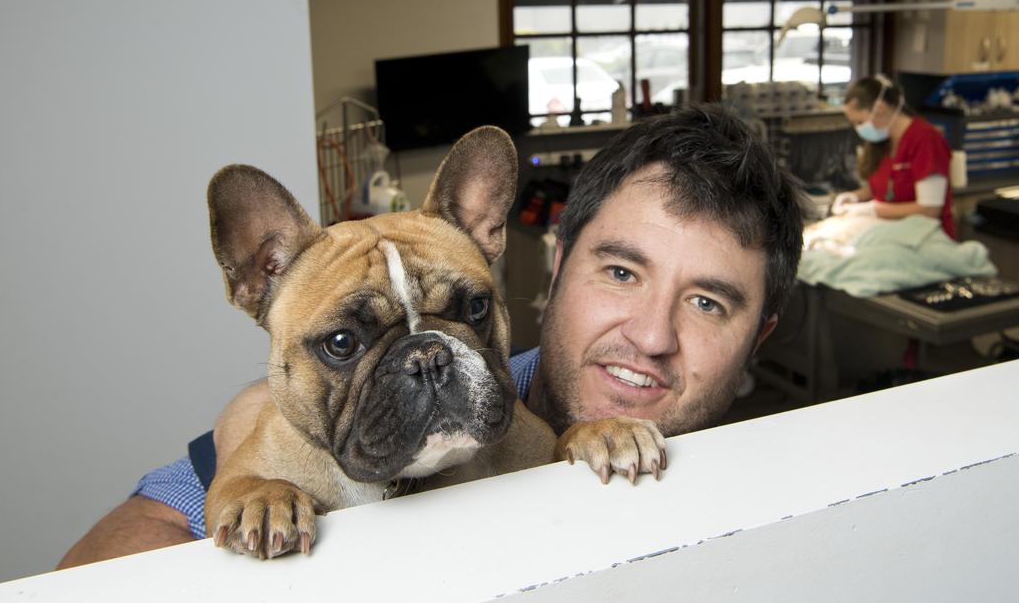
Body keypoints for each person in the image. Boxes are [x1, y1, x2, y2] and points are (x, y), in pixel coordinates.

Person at [58, 104, 805, 568]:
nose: (650, 335)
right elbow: (130, 542)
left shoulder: (778, 490)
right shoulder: (280, 426)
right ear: (555, 260)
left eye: (709, 302)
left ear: (761, 334)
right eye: (619, 272)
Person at [832, 74, 955, 238]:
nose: (858, 129)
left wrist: (873, 209)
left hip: (925, 240)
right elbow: (884, 186)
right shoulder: (882, 142)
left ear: (880, 108)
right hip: (890, 236)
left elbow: (929, 209)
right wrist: (856, 197)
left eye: (860, 122)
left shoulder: (926, 140)